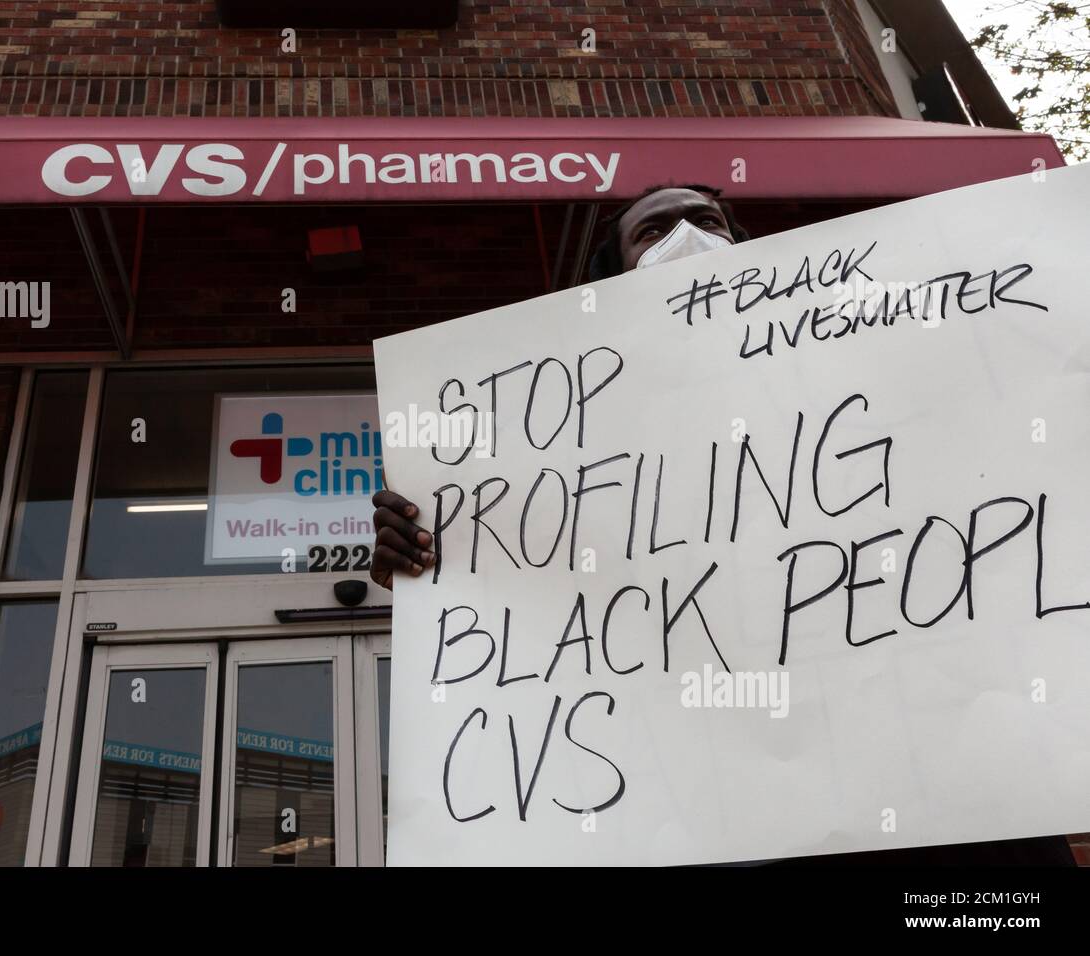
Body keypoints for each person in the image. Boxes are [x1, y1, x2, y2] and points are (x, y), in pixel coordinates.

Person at [368, 183, 1076, 867]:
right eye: (652, 231)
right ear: (613, 278)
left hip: (946, 807)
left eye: (707, 220)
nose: (689, 240)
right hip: (734, 817)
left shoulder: (873, 368)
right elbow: (535, 589)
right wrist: (429, 553)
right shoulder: (567, 447)